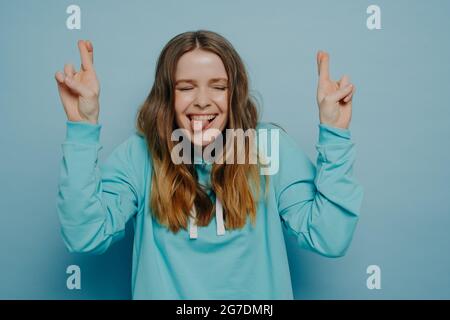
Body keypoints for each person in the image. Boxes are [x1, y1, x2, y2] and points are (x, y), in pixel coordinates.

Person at [55, 30, 363, 299]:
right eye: (186, 87)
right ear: (166, 96)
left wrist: (334, 134)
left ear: (234, 95)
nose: (202, 101)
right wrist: (83, 127)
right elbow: (85, 235)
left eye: (218, 86)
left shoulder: (269, 147)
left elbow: (330, 237)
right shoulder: (141, 154)